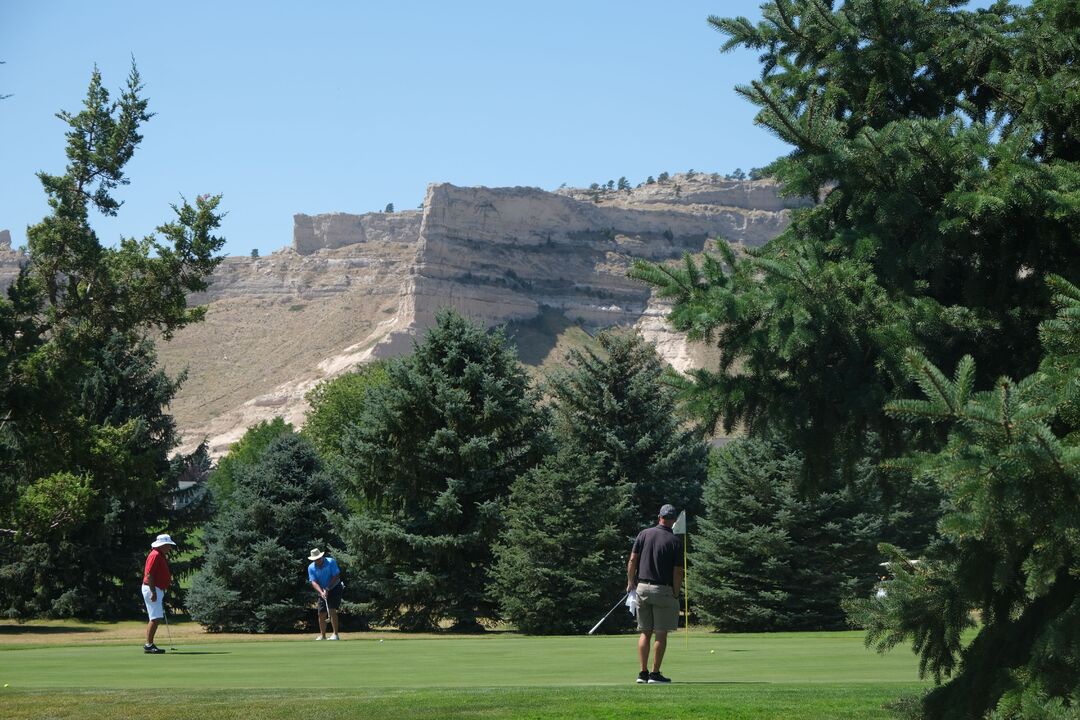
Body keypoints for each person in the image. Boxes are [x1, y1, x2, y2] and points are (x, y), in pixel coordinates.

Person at [626, 504, 683, 684]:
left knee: (645, 632)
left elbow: (632, 560)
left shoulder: (644, 534)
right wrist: (675, 591)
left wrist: (630, 583)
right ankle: (654, 674)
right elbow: (678, 571)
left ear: (659, 516)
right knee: (660, 633)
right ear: (673, 520)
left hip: (642, 588)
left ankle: (642, 673)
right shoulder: (675, 541)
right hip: (663, 590)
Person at [142, 533, 177, 654]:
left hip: (156, 588)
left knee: (156, 617)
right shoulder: (155, 555)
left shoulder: (159, 555)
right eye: (168, 545)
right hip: (152, 589)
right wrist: (153, 592)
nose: (170, 548)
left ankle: (149, 644)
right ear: (162, 545)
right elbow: (149, 574)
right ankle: (148, 645)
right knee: (155, 617)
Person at [307, 548, 343, 640]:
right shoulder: (311, 567)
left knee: (331, 609)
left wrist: (328, 588)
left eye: (318, 558)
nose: (317, 560)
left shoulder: (330, 562)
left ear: (321, 556)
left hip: (335, 587)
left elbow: (336, 575)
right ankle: (323, 636)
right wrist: (321, 592)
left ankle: (335, 634)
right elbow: (313, 582)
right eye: (315, 559)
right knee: (321, 613)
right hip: (322, 590)